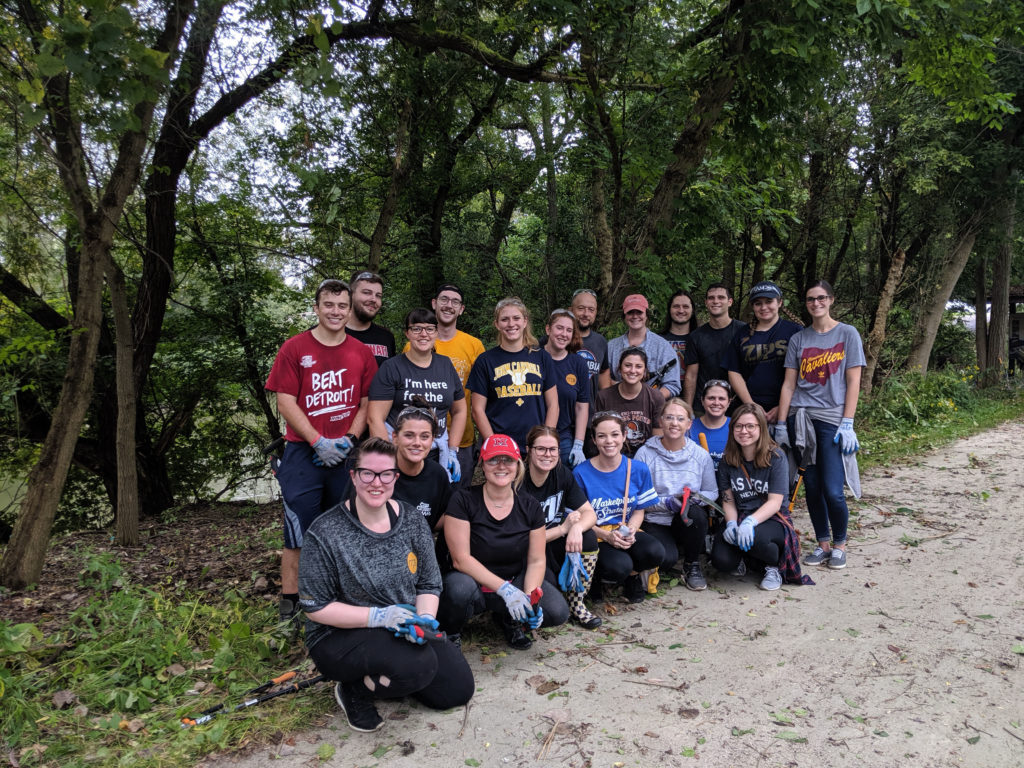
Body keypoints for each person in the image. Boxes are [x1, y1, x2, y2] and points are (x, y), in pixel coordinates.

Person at [298, 438, 473, 732]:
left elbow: (429, 583)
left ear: (395, 477)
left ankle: (396, 672)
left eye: (385, 474)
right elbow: (316, 607)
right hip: (339, 635)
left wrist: (426, 620)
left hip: (401, 624)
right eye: (367, 473)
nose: (376, 482)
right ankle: (354, 690)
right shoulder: (325, 532)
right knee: (418, 666)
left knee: (457, 690)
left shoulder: (412, 520)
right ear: (353, 475)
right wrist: (379, 616)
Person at [265, 279, 377, 622]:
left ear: (349, 309)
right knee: (298, 528)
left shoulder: (360, 352)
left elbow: (366, 402)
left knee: (343, 526)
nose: (335, 311)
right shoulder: (295, 348)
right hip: (303, 453)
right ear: (316, 307)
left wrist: (349, 440)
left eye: (342, 306)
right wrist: (317, 440)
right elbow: (285, 401)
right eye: (329, 305)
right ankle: (291, 600)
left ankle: (336, 597)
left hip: (344, 454)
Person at [438, 434, 570, 649]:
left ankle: (511, 620)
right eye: (493, 459)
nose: (501, 466)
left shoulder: (530, 505)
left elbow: (537, 560)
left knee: (557, 612)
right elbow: (460, 559)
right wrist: (504, 590)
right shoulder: (462, 500)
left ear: (518, 465)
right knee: (458, 588)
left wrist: (529, 597)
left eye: (508, 460)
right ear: (482, 464)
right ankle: (451, 632)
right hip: (474, 584)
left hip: (514, 580)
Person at [775, 279, 865, 571]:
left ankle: (840, 544)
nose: (816, 303)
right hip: (801, 419)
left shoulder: (847, 334)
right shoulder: (799, 339)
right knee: (811, 487)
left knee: (832, 489)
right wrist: (780, 423)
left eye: (821, 298)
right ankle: (823, 544)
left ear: (831, 300)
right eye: (811, 299)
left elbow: (853, 380)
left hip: (832, 420)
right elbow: (789, 386)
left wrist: (848, 421)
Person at [710, 404, 811, 591]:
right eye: (738, 426)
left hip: (772, 518)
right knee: (721, 561)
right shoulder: (728, 460)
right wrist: (731, 523)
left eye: (750, 426)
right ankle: (747, 560)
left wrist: (749, 522)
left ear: (761, 429)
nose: (744, 431)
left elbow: (775, 502)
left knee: (756, 538)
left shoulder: (776, 457)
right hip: (740, 514)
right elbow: (728, 499)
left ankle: (774, 567)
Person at [573, 413, 664, 603]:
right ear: (594, 439)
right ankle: (595, 579)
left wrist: (631, 529)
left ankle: (632, 577)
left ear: (624, 436)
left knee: (655, 552)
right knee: (618, 566)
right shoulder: (581, 473)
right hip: (596, 535)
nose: (609, 441)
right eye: (602, 436)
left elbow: (639, 509)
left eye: (615, 435)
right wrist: (606, 536)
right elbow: (577, 518)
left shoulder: (638, 469)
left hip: (624, 528)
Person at [368, 308, 466, 480]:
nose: (423, 334)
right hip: (400, 451)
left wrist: (452, 450)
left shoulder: (445, 365)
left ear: (436, 333)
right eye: (416, 329)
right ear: (407, 333)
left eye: (429, 329)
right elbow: (375, 418)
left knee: (435, 504)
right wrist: (388, 457)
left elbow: (460, 410)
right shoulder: (392, 367)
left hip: (436, 452)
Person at [520, 426, 602, 629]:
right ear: (529, 450)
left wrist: (575, 528)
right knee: (551, 593)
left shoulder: (561, 473)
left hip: (552, 543)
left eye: (553, 449)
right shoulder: (517, 481)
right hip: (525, 551)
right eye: (541, 449)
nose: (547, 454)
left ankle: (577, 604)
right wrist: (563, 529)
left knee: (588, 536)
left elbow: (590, 514)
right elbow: (519, 539)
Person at [635, 399, 718, 591]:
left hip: (686, 519)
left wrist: (693, 499)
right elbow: (638, 499)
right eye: (669, 417)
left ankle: (692, 564)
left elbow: (712, 492)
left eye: (680, 419)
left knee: (696, 513)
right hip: (655, 519)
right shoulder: (645, 454)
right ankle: (670, 555)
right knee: (666, 560)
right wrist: (669, 502)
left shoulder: (700, 455)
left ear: (689, 424)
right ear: (661, 421)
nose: (674, 423)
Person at [467, 297, 558, 451]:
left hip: (536, 445)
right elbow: (477, 410)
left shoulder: (542, 357)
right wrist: (494, 444)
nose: (511, 324)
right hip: (501, 445)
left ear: (525, 321)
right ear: (497, 324)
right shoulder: (485, 361)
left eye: (516, 318)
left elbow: (553, 405)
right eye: (504, 319)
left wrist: (545, 442)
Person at [431, 283, 486, 487]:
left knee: (457, 503)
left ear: (461, 309)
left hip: (462, 441)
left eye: (455, 302)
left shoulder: (474, 345)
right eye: (444, 300)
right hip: (424, 440)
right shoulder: (417, 342)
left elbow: (484, 395)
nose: (449, 305)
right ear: (434, 304)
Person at [725, 282, 802, 423]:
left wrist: (783, 406)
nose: (763, 307)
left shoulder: (795, 332)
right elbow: (733, 371)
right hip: (749, 409)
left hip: (788, 408)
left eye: (769, 301)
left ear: (780, 302)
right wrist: (750, 405)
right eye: (758, 303)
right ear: (752, 307)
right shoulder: (742, 334)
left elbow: (804, 373)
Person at [683, 283, 749, 414]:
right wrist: (688, 410)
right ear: (706, 302)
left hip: (739, 406)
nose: (715, 301)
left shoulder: (744, 331)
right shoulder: (696, 336)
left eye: (721, 297)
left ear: (730, 302)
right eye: (711, 298)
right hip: (704, 407)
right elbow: (691, 375)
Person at [602, 294, 681, 398]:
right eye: (630, 312)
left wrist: (649, 400)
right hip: (617, 406)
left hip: (653, 408)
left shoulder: (662, 347)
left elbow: (672, 385)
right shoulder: (612, 346)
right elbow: (603, 377)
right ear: (624, 316)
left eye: (639, 312)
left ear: (646, 315)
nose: (635, 316)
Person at [391, 406, 452, 533]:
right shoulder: (378, 472)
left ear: (432, 440)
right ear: (395, 438)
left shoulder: (437, 475)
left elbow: (443, 519)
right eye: (409, 435)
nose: (417, 442)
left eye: (424, 437)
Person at [594, 346, 665, 457]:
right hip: (612, 456)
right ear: (620, 368)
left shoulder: (655, 397)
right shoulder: (604, 397)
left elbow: (657, 440)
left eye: (638, 366)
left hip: (646, 458)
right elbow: (598, 435)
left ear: (645, 370)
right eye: (627, 365)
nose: (632, 371)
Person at [542, 308, 590, 467]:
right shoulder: (533, 358)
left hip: (563, 437)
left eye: (569, 330)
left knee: (563, 486)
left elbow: (581, 407)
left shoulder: (578, 364)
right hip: (532, 435)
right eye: (559, 328)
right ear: (548, 329)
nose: (564, 334)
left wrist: (578, 444)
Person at [346, 271, 396, 366]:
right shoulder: (330, 334)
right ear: (351, 295)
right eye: (367, 293)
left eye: (378, 296)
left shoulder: (386, 337)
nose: (373, 299)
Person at [569, 288, 610, 400]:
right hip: (560, 412)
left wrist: (604, 398)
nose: (586, 314)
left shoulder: (600, 342)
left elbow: (604, 370)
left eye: (591, 310)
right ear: (571, 310)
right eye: (581, 309)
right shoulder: (558, 338)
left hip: (589, 412)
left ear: (595, 313)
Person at [687, 380, 732, 471]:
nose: (716, 403)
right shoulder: (688, 427)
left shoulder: (737, 426)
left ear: (729, 402)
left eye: (721, 399)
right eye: (711, 398)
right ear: (702, 401)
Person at [661, 290, 698, 372]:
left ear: (692, 311)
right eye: (676, 306)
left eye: (685, 307)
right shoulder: (658, 340)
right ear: (669, 309)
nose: (681, 311)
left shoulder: (701, 339)